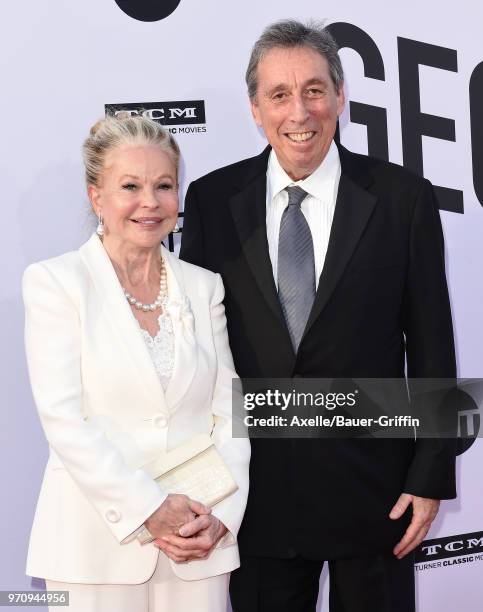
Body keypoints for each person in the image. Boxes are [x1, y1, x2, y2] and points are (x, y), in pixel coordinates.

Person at [180, 19, 456, 612]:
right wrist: (202, 481)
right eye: (279, 95)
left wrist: (430, 476)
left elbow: (434, 344)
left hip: (377, 493)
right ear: (255, 108)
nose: (298, 111)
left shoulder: (403, 198)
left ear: (340, 96)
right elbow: (195, 355)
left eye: (313, 89)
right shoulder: (210, 201)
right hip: (256, 496)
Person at [23, 114, 250, 612]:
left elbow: (230, 411)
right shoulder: (56, 283)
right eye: (130, 186)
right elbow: (63, 420)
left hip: (197, 543)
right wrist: (148, 509)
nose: (150, 202)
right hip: (98, 545)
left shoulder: (203, 285)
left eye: (164, 186)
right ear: (96, 196)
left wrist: (222, 517)